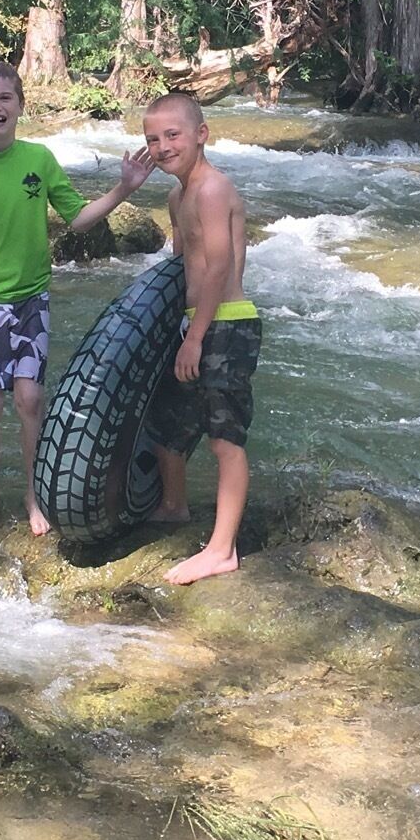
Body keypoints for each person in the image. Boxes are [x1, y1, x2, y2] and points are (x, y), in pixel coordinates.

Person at [0, 63, 154, 537]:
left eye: (5, 98)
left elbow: (78, 219)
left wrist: (123, 188)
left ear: (20, 105)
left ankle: (35, 495)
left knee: (30, 398)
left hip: (32, 298)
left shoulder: (39, 159)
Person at [140, 92, 258, 585]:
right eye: (153, 139)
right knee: (167, 424)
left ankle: (222, 550)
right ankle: (174, 506)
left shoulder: (213, 189)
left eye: (173, 135)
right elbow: (181, 268)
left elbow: (218, 268)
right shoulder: (177, 197)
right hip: (195, 323)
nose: (163, 146)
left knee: (224, 439)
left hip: (226, 323)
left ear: (201, 134)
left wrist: (196, 338)